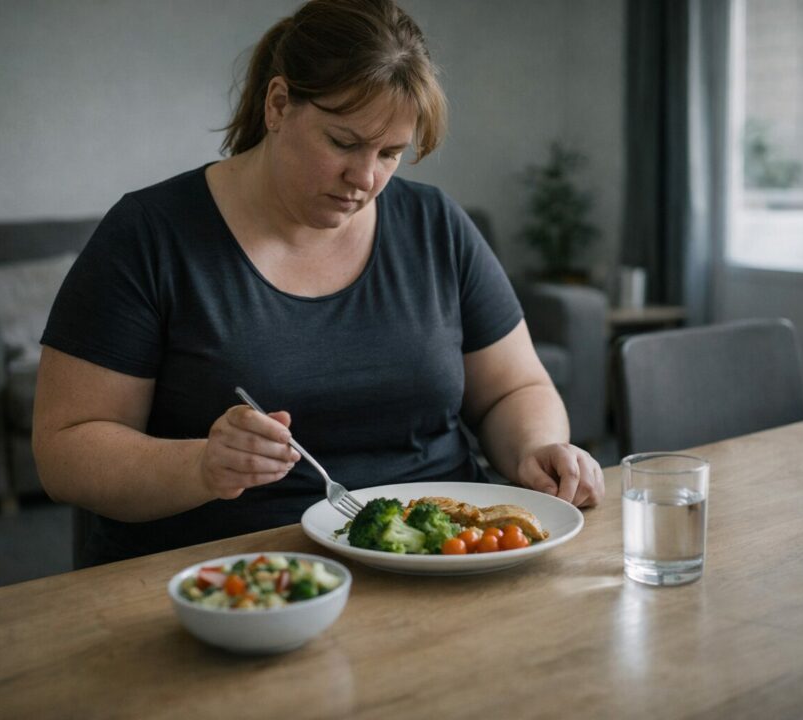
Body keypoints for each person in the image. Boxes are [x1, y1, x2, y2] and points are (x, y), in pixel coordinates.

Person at [33, 0, 605, 567]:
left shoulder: (436, 224)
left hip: (446, 559)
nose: (365, 178)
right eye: (343, 142)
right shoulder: (150, 234)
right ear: (279, 104)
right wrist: (201, 466)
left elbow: (515, 388)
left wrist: (537, 448)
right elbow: (65, 450)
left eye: (390, 154)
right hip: (235, 574)